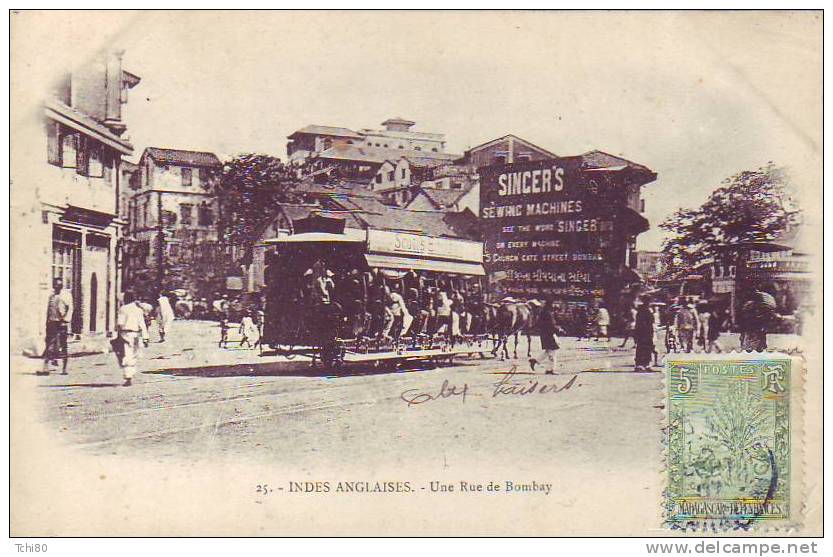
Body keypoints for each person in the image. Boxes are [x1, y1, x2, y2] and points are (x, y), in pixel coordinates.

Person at [116, 292, 150, 387]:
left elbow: (120, 323)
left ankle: (128, 376)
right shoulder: (138, 310)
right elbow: (142, 324)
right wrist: (145, 337)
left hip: (125, 334)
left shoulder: (123, 309)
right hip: (136, 334)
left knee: (126, 354)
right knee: (134, 355)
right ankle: (130, 373)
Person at [41, 277, 73, 375]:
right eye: (55, 286)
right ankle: (45, 368)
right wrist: (47, 322)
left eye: (58, 286)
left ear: (61, 286)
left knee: (63, 345)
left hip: (61, 323)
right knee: (49, 344)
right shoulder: (51, 297)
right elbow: (49, 310)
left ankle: (64, 368)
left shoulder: (66, 296)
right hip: (52, 323)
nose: (56, 287)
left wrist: (66, 319)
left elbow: (70, 308)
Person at [529, 298, 559, 374]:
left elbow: (539, 323)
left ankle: (535, 361)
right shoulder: (548, 313)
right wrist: (558, 329)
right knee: (552, 351)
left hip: (544, 334)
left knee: (549, 350)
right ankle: (550, 369)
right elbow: (551, 324)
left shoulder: (543, 312)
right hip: (549, 334)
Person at [633, 298, 655, 371]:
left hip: (645, 332)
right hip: (644, 332)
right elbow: (650, 321)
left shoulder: (643, 311)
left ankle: (644, 364)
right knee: (643, 347)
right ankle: (641, 364)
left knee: (645, 347)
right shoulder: (644, 311)